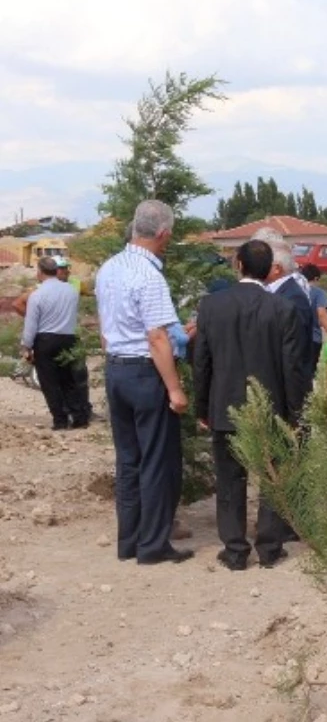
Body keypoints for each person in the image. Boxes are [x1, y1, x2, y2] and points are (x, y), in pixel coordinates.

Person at [193, 240, 308, 571]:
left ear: (238, 265)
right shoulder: (282, 309)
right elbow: (293, 368)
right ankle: (270, 547)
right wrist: (294, 414)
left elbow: (202, 363)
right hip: (269, 410)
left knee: (230, 479)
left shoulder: (212, 306)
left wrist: (203, 409)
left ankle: (235, 549)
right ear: (270, 268)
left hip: (226, 408)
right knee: (272, 476)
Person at [94, 200, 192, 565]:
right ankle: (153, 544)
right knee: (155, 460)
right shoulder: (149, 276)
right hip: (144, 372)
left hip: (116, 369)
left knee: (128, 460)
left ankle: (129, 540)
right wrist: (174, 388)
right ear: (163, 233)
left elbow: (105, 331)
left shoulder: (109, 268)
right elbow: (157, 338)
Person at [20, 256, 90, 430]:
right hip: (69, 338)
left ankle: (60, 420)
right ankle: (79, 417)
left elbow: (31, 324)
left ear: (40, 272)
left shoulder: (37, 295)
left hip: (46, 340)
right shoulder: (71, 291)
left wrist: (26, 346)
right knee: (69, 379)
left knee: (49, 383)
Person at [253, 229, 315, 392]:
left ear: (276, 268)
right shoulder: (279, 292)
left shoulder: (292, 298)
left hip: (287, 387)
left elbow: (294, 353)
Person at [302, 264, 327, 379]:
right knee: (310, 372)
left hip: (296, 337)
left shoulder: (296, 290)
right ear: (316, 278)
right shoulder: (318, 293)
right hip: (313, 338)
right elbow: (321, 313)